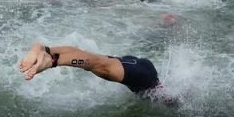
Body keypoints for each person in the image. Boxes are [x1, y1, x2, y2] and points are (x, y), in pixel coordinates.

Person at [19, 42, 162, 96]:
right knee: (99, 64)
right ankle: (52, 60)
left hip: (136, 65)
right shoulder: (161, 94)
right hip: (144, 76)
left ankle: (46, 49)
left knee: (96, 61)